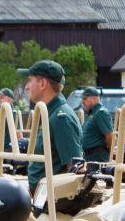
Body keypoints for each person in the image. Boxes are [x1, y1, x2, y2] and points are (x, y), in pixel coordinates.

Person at [19, 60, 83, 193]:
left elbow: (74, 170)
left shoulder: (61, 118)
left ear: (42, 84)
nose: (26, 86)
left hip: (49, 202)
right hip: (40, 195)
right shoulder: (51, 113)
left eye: (30, 80)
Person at [77, 86, 113, 161]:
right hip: (90, 156)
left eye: (85, 98)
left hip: (98, 157)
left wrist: (111, 155)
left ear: (94, 98)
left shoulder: (100, 112)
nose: (82, 102)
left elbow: (109, 136)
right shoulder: (92, 113)